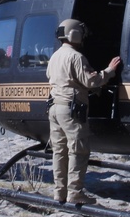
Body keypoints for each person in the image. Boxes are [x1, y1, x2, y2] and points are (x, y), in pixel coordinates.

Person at [46, 19, 122, 205]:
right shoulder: (76, 57)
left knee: (59, 151)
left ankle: (59, 192)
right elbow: (91, 81)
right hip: (70, 109)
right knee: (78, 151)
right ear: (76, 35)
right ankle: (75, 193)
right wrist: (109, 71)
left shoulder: (55, 56)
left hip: (54, 107)